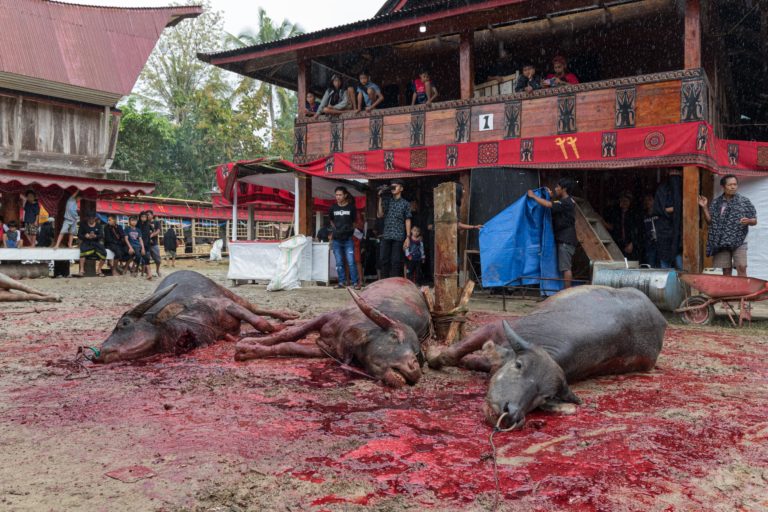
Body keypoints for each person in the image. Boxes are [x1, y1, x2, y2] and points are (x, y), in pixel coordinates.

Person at [699, 174, 757, 276]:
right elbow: (710, 222)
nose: (733, 187)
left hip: (739, 241)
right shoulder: (716, 203)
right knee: (726, 270)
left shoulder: (744, 202)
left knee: (742, 267)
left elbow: (754, 220)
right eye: (730, 185)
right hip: (721, 242)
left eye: (735, 184)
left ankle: (742, 291)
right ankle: (729, 291)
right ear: (723, 186)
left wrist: (748, 221)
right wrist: (704, 207)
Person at [527, 177, 578, 288]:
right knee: (565, 267)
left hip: (566, 240)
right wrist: (550, 197)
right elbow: (554, 204)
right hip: (566, 238)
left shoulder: (567, 202)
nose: (555, 189)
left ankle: (567, 293)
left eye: (557, 187)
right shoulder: (566, 201)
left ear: (564, 189)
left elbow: (549, 205)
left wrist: (534, 196)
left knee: (566, 268)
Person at [377, 179, 412, 278]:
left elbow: (408, 219)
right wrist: (380, 198)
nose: (393, 188)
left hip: (398, 236)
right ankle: (384, 283)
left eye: (395, 186)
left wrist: (408, 237)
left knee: (396, 261)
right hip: (387, 234)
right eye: (391, 186)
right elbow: (380, 214)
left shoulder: (405, 203)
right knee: (384, 260)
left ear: (401, 188)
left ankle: (394, 284)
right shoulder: (387, 201)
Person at [329, 186, 360, 289]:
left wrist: (349, 231)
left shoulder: (351, 208)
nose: (338, 197)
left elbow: (355, 222)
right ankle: (341, 282)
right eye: (336, 195)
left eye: (340, 195)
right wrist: (335, 230)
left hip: (348, 240)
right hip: (337, 240)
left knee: (351, 262)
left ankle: (355, 283)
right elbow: (331, 220)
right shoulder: (333, 208)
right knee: (338, 262)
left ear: (345, 195)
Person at [653, 171, 683, 269]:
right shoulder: (662, 189)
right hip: (664, 230)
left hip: (680, 231)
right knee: (665, 263)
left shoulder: (684, 188)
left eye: (677, 173)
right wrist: (677, 209)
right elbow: (659, 209)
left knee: (680, 263)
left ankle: (684, 283)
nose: (675, 177)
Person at [604, 192, 639, 260]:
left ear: (630, 202)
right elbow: (614, 228)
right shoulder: (617, 213)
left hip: (632, 245)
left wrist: (632, 243)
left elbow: (638, 230)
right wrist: (603, 223)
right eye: (622, 200)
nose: (624, 203)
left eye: (626, 201)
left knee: (632, 265)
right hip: (620, 244)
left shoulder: (634, 214)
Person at [640, 194, 659, 267]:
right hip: (649, 244)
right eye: (646, 200)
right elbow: (642, 230)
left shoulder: (659, 213)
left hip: (660, 243)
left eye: (650, 200)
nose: (648, 202)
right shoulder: (643, 215)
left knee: (660, 265)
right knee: (650, 264)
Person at [146, 210, 163, 277]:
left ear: (152, 215)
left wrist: (152, 235)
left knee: (158, 259)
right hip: (146, 244)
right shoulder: (144, 223)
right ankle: (148, 272)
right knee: (146, 259)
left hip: (154, 243)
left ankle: (157, 270)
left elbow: (158, 231)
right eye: (146, 215)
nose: (147, 216)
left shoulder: (156, 222)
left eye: (148, 214)